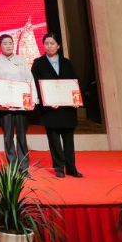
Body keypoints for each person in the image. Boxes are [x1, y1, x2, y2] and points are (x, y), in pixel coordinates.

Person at [31, 33, 83, 178]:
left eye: (52, 43)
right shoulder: (38, 63)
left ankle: (71, 168)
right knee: (54, 140)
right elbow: (34, 84)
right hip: (50, 109)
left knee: (68, 139)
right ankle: (59, 167)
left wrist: (76, 99)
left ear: (58, 46)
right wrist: (47, 99)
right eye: (46, 43)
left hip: (67, 108)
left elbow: (75, 82)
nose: (49, 46)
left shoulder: (67, 63)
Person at [0, 34, 38, 174]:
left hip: (21, 105)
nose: (8, 46)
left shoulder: (21, 60)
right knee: (8, 137)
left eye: (10, 43)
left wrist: (33, 99)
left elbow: (29, 80)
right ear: (0, 46)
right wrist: (1, 98)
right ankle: (12, 166)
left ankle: (24, 168)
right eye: (5, 43)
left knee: (22, 136)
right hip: (5, 106)